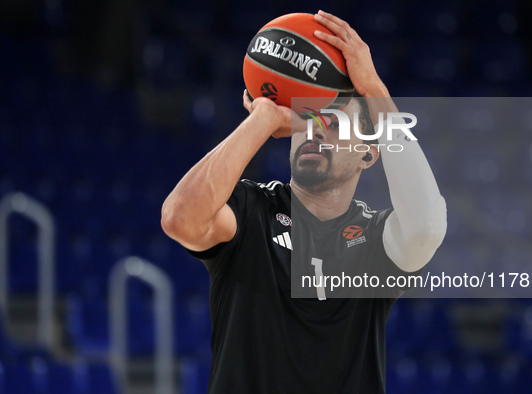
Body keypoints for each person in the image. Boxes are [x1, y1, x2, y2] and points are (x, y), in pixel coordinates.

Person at [161, 10, 447, 393]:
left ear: (369, 153)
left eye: (333, 122)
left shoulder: (377, 240)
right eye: (308, 118)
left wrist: (375, 90)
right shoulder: (252, 210)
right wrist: (262, 117)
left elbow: (427, 225)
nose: (316, 129)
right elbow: (180, 218)